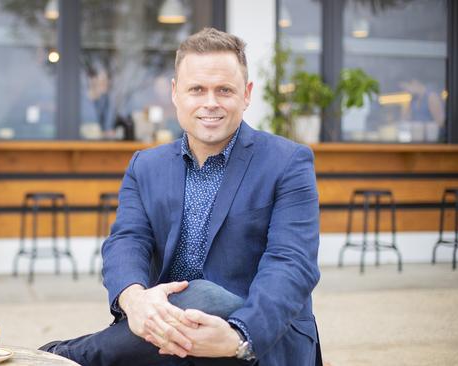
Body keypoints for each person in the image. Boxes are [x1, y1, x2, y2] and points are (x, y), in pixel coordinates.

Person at [40, 28, 321, 366]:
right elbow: (127, 241)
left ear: (246, 95)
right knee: (182, 307)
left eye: (224, 90)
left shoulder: (287, 162)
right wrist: (135, 300)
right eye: (197, 89)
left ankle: (71, 357)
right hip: (166, 336)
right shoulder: (146, 165)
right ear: (175, 93)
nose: (210, 102)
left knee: (201, 294)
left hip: (255, 338)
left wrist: (238, 336)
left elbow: (291, 264)